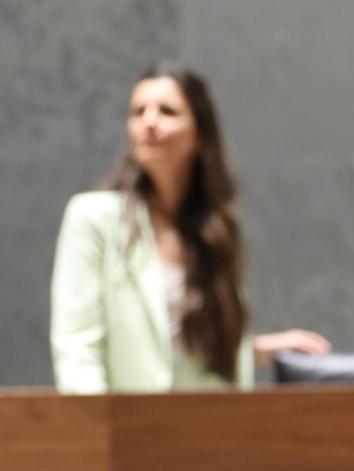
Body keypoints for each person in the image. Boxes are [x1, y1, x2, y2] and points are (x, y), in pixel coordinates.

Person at [49, 64, 329, 394]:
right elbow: (78, 345)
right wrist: (93, 432)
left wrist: (257, 350)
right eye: (138, 112)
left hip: (212, 424)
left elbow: (181, 344)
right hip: (130, 428)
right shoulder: (94, 218)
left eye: (166, 111)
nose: (148, 122)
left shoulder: (214, 228)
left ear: (199, 133)